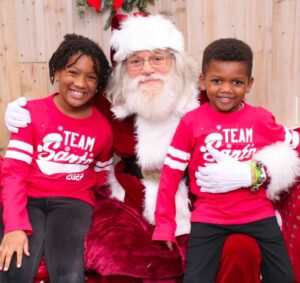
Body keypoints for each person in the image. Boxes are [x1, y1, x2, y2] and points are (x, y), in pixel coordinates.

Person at [3, 14, 300, 283]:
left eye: (157, 59)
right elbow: (69, 100)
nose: (147, 70)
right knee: (118, 255)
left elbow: (265, 132)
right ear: (123, 69)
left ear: (174, 61)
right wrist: (21, 112)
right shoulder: (110, 100)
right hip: (128, 199)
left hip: (195, 198)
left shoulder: (205, 95)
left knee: (239, 249)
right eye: (136, 61)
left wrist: (253, 172)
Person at [153, 38, 298, 283]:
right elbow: (170, 175)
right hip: (209, 217)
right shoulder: (191, 123)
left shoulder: (260, 119)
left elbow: (294, 141)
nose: (226, 89)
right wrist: (165, 225)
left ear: (249, 84)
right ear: (203, 80)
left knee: (283, 277)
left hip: (257, 214)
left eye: (237, 82)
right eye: (217, 81)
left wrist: (257, 171)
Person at [0, 33, 113, 283]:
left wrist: (79, 186)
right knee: (15, 267)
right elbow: (14, 172)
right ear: (58, 72)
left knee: (69, 273)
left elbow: (103, 173)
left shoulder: (103, 129)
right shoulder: (30, 113)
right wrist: (14, 226)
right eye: (73, 72)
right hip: (29, 198)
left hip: (73, 202)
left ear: (98, 84)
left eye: (91, 77)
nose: (81, 83)